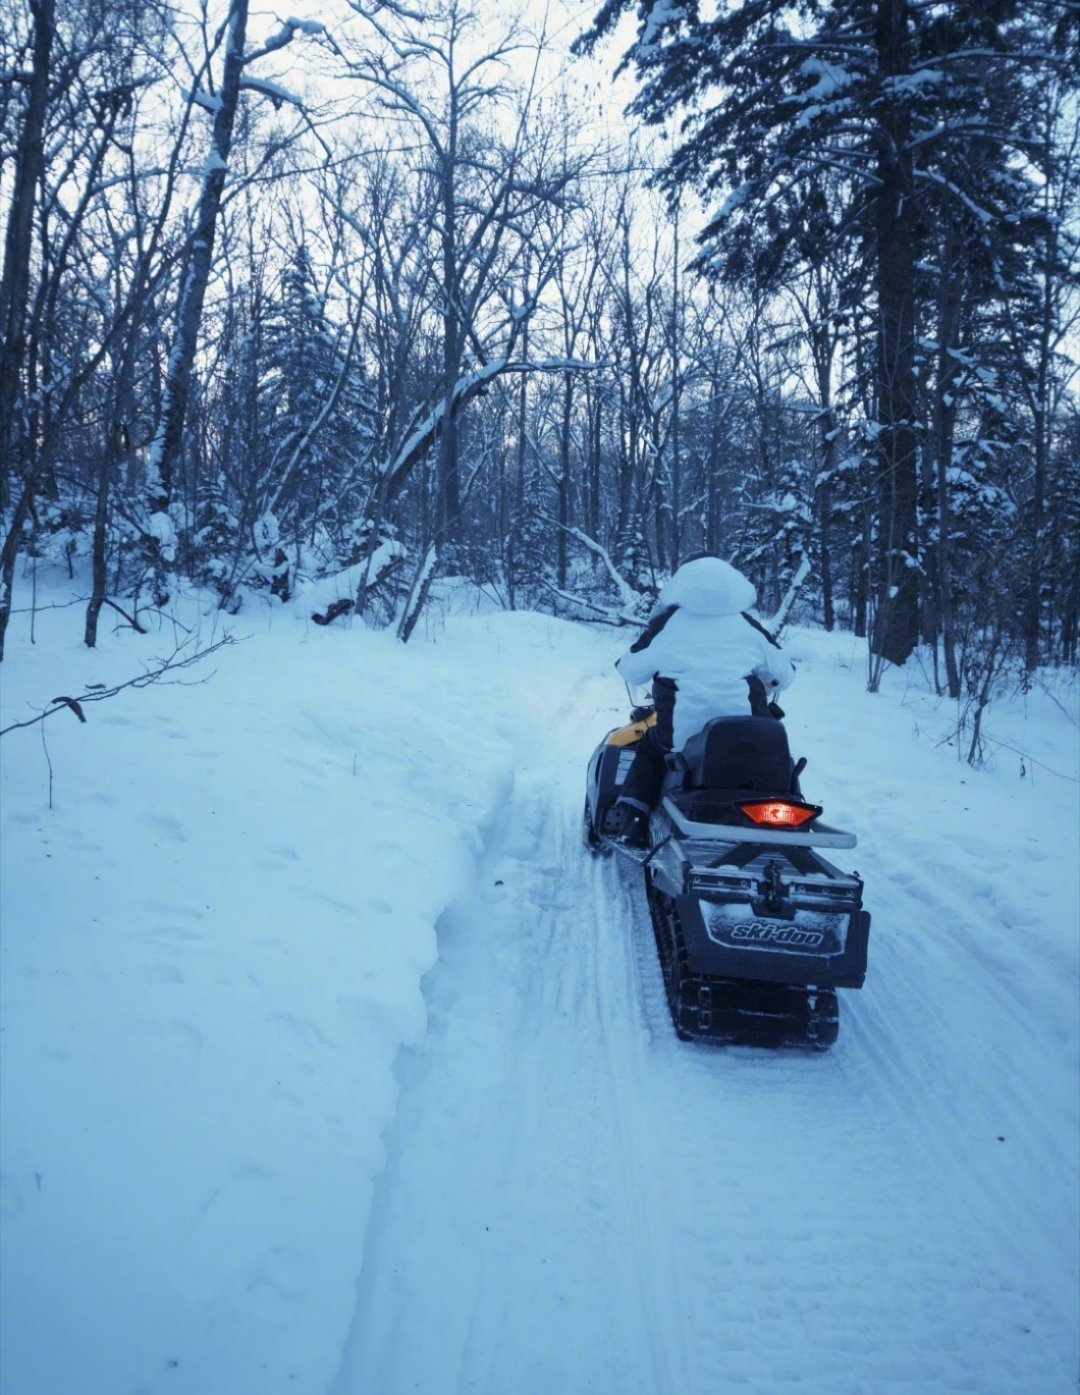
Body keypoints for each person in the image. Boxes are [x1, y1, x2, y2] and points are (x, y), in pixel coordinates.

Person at [602, 555, 796, 847]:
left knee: (649, 750)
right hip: (747, 736)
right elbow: (785, 674)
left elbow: (630, 669)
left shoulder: (668, 625)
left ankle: (634, 819)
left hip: (680, 737)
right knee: (778, 757)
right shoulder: (747, 626)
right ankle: (792, 814)